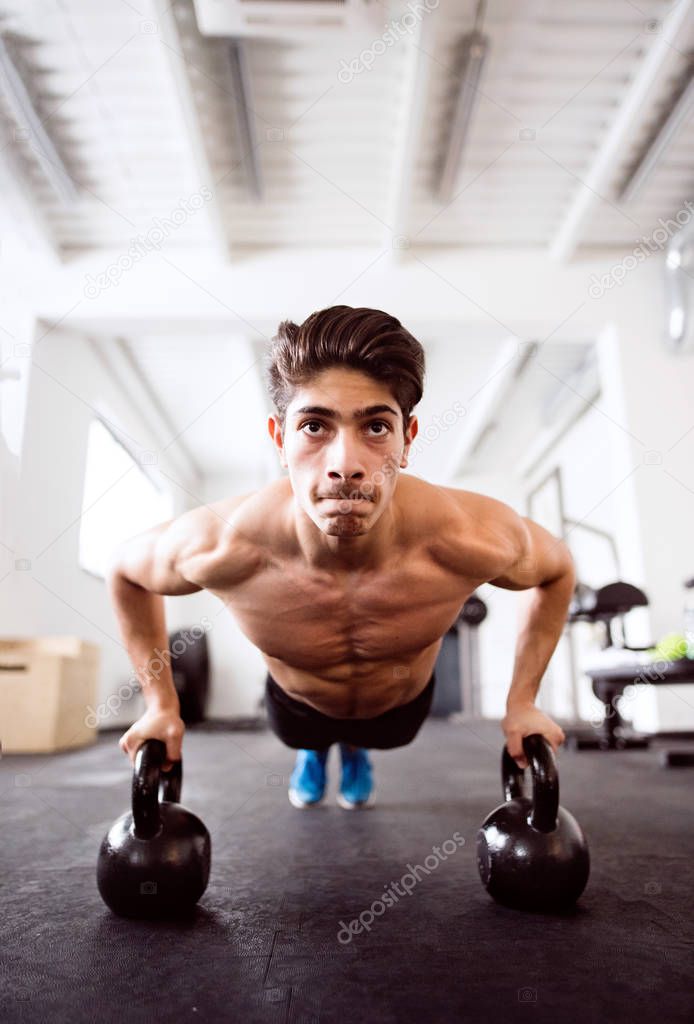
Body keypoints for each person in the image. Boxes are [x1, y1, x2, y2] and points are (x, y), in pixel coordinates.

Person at [109, 305, 572, 810]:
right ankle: (314, 752)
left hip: (399, 712)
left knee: (379, 736)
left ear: (406, 440)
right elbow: (127, 573)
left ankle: (355, 749)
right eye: (314, 426)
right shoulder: (223, 543)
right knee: (303, 735)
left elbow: (557, 569)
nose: (345, 465)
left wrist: (522, 702)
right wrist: (159, 705)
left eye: (375, 427)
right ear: (279, 440)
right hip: (297, 706)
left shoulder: (467, 536)